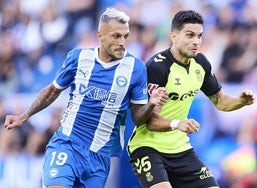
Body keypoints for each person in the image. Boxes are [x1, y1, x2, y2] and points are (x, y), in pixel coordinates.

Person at [3, 8, 168, 188]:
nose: (122, 42)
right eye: (116, 36)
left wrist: (151, 104)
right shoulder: (78, 57)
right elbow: (52, 90)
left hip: (99, 156)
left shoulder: (136, 69)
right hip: (67, 143)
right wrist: (24, 115)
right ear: (100, 36)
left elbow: (138, 117)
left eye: (126, 36)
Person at [127, 10, 255, 188]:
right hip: (148, 147)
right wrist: (176, 123)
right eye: (190, 35)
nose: (196, 41)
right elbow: (148, 121)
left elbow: (221, 101)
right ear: (174, 36)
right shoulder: (158, 66)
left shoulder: (200, 64)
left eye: (199, 36)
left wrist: (241, 101)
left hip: (180, 148)